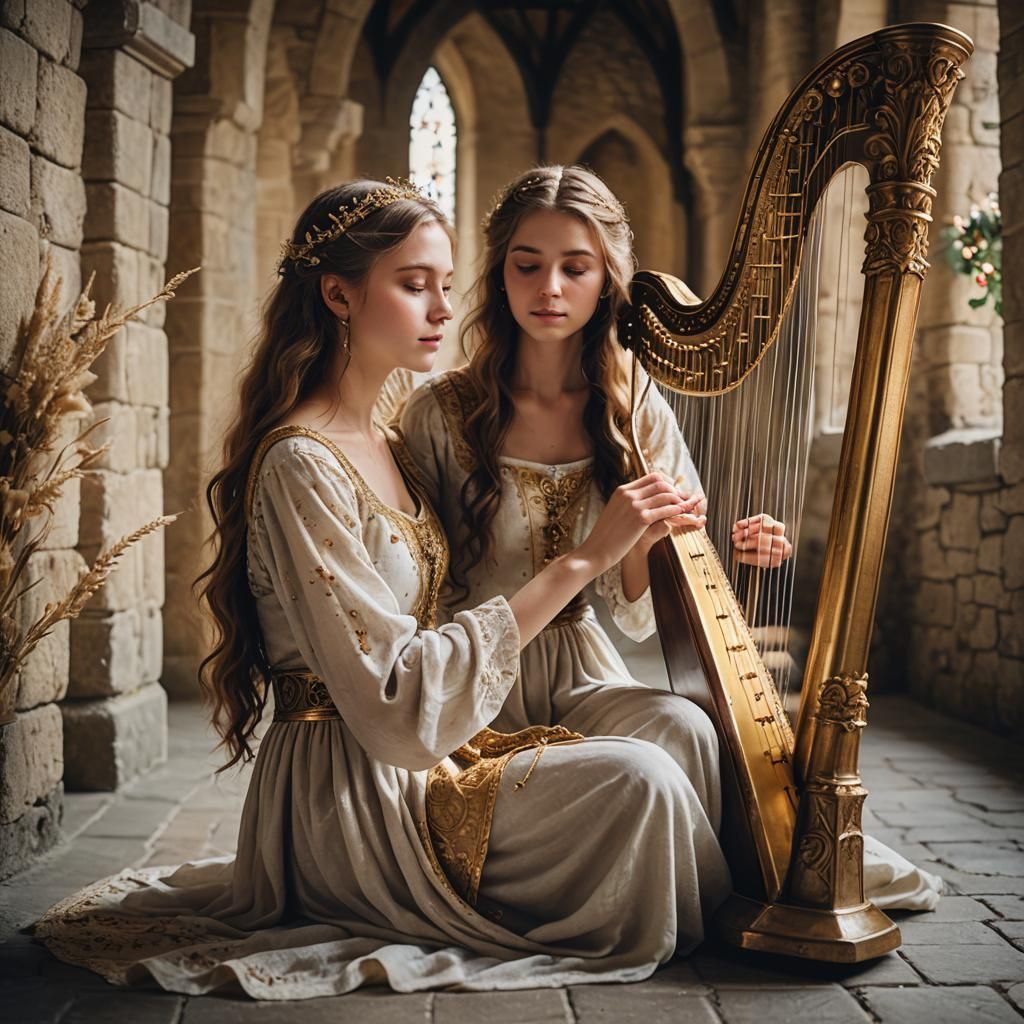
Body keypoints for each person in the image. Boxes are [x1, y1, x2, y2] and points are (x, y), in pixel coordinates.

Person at [33, 179, 731, 999]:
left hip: (428, 732)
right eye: (414, 284)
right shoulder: (310, 459)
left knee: (675, 736)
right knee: (640, 779)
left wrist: (688, 548)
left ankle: (694, 903)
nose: (443, 308)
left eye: (444, 284)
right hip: (354, 776)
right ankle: (633, 904)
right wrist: (581, 559)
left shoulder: (382, 443)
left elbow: (443, 622)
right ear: (338, 294)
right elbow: (396, 702)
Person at [398, 164, 942, 914]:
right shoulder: (439, 412)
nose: (549, 287)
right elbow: (414, 582)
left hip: (582, 668)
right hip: (476, 670)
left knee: (685, 726)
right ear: (498, 276)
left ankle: (705, 903)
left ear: (606, 281)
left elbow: (639, 612)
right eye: (527, 265)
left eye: (574, 268)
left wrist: (732, 555)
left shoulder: (634, 407)